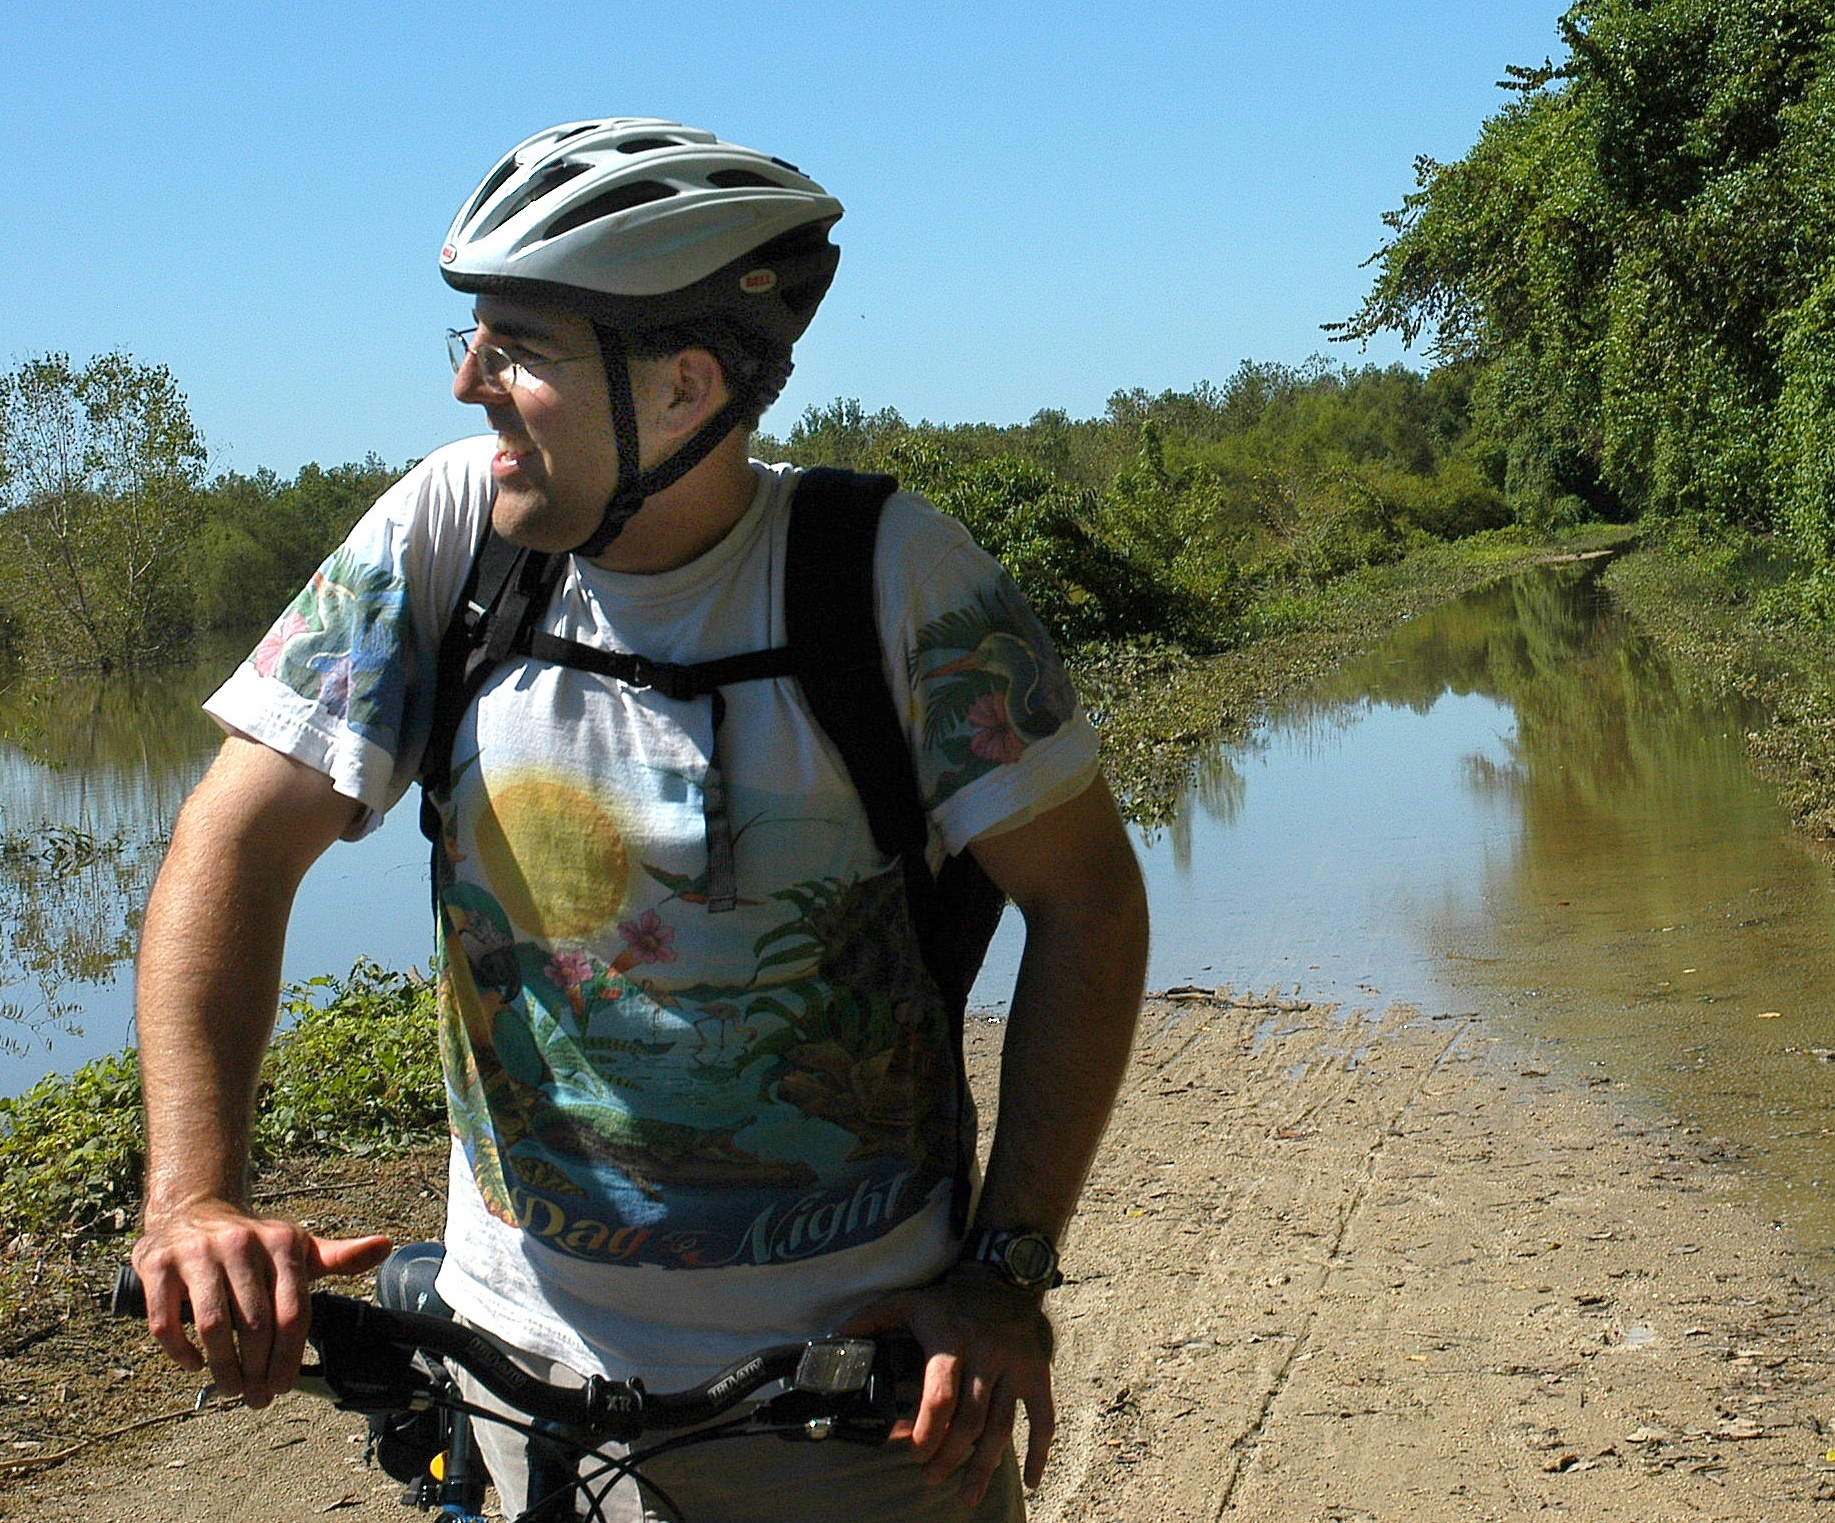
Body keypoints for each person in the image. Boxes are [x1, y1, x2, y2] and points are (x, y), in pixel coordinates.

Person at [126, 118, 1150, 1520]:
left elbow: (1088, 899)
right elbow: (231, 841)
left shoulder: (896, 583)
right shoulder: (449, 540)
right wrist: (193, 1196)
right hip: (511, 1397)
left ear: (682, 388)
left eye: (523, 345)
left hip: (854, 1419)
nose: (472, 378)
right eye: (471, 337)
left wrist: (1006, 1268)